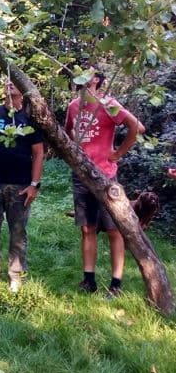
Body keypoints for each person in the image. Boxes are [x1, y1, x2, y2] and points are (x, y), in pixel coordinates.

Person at [65, 70, 145, 298]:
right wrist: (75, 151)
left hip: (106, 176)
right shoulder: (74, 106)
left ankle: (116, 285)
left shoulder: (108, 104)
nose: (80, 75)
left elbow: (138, 127)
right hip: (81, 175)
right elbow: (68, 131)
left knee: (114, 230)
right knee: (87, 228)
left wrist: (117, 153)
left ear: (97, 80)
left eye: (88, 73)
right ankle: (89, 281)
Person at [0, 80, 44, 292]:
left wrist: (34, 184)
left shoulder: (30, 118)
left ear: (23, 89)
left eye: (14, 81)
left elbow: (39, 153)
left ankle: (16, 277)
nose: (10, 83)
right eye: (7, 81)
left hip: (20, 186)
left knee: (18, 232)